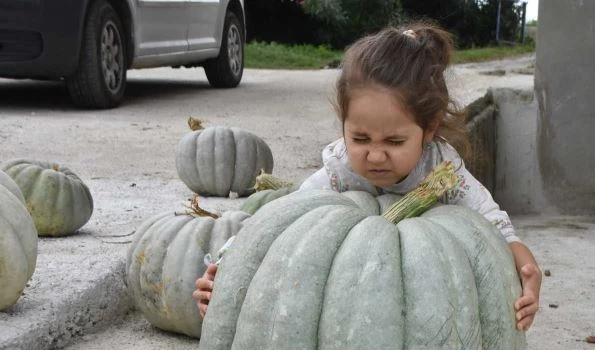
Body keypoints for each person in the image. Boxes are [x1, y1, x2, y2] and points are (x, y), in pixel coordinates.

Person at [194, 22, 542, 331]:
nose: (375, 155)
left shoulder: (442, 171)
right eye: (360, 138)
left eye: (394, 141)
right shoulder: (340, 169)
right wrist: (227, 264)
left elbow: (492, 221)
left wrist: (525, 264)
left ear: (429, 128)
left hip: (424, 312)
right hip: (346, 308)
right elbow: (278, 222)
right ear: (343, 123)